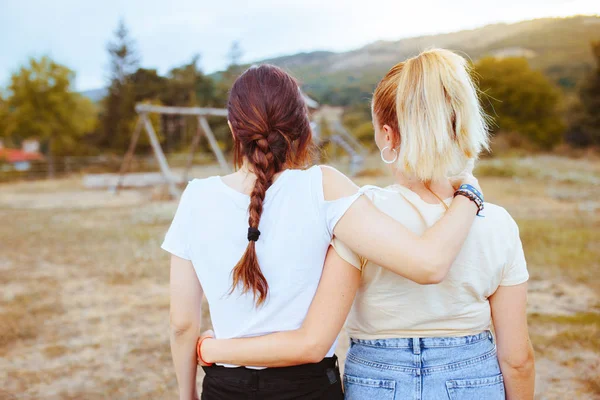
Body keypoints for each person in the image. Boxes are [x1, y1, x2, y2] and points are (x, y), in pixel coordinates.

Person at [196, 50, 535, 400]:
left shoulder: (359, 213)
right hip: (471, 380)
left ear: (388, 135)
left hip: (380, 382)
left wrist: (214, 349)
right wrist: (470, 192)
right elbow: (518, 359)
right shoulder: (498, 223)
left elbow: (316, 336)